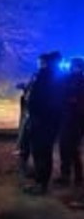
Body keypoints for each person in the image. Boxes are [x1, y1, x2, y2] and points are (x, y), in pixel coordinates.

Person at [24, 51, 65, 195]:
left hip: (42, 121)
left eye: (43, 62)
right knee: (42, 152)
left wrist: (35, 114)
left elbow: (41, 99)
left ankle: (41, 184)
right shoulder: (54, 77)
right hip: (46, 121)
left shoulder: (46, 77)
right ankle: (40, 180)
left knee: (41, 153)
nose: (41, 64)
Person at [56, 58, 84, 187]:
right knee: (66, 148)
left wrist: (72, 102)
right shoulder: (69, 80)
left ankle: (75, 176)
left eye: (74, 66)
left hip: (74, 121)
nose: (72, 68)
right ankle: (67, 175)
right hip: (68, 119)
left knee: (71, 149)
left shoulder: (79, 82)